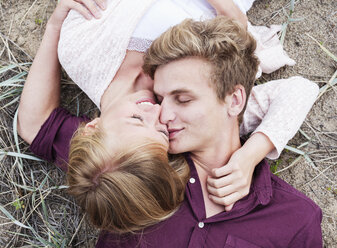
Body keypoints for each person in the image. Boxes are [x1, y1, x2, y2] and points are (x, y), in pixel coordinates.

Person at [17, 0, 319, 234]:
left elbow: (32, 124)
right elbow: (297, 92)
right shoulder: (193, 114)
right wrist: (249, 157)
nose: (156, 111)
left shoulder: (78, 50)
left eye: (136, 118)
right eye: (162, 133)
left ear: (90, 127)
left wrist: (55, 25)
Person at [96, 16, 322, 247]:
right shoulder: (128, 160)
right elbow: (56, 123)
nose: (162, 115)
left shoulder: (296, 218)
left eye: (183, 100)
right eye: (160, 99)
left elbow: (301, 89)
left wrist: (249, 156)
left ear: (234, 101)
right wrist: (55, 25)